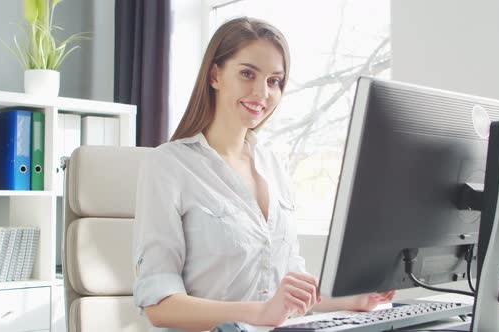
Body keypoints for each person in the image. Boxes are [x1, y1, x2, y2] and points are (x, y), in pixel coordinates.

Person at [133, 17, 394, 331]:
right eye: (247, 74)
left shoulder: (274, 166)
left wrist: (352, 301)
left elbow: (289, 294)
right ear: (215, 75)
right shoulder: (168, 165)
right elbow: (159, 305)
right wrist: (260, 313)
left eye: (274, 81)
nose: (262, 92)